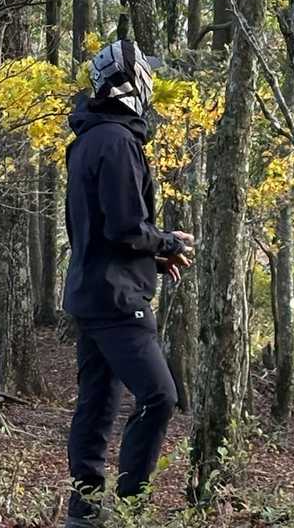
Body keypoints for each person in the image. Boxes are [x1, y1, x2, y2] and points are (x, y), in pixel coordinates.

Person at [63, 36, 195, 525]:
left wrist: (151, 260)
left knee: (97, 404)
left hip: (93, 292)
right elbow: (124, 227)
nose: (152, 85)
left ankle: (84, 512)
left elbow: (100, 230)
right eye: (147, 76)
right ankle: (132, 508)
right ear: (131, 83)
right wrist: (168, 242)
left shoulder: (88, 140)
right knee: (160, 396)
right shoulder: (118, 142)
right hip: (118, 301)